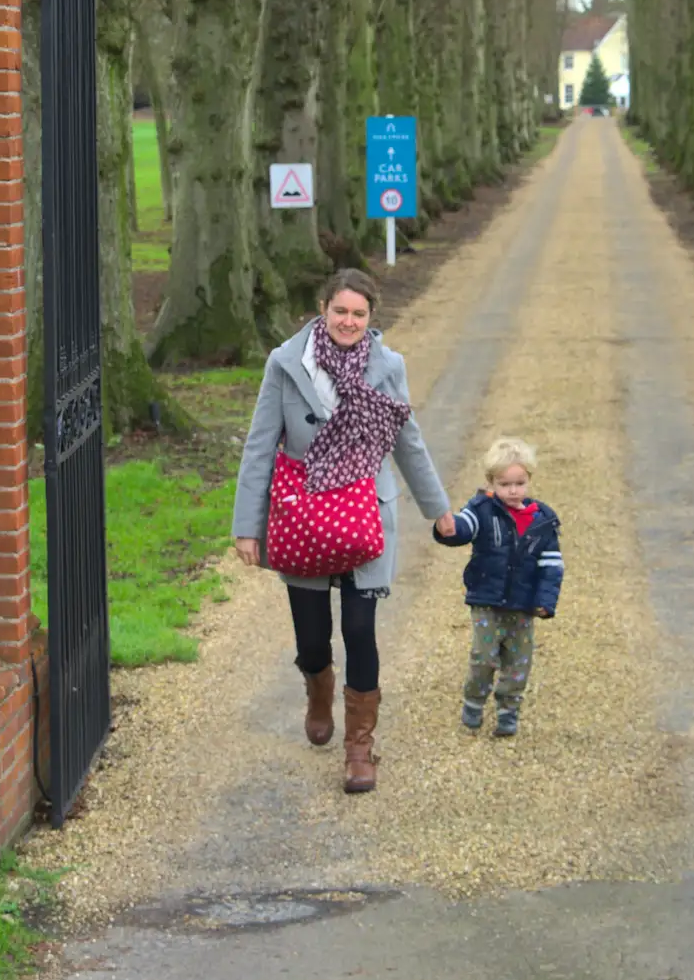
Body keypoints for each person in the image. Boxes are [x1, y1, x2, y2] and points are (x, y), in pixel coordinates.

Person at [233, 268, 455, 793]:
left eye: (359, 314)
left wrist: (438, 509)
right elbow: (260, 444)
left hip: (364, 515)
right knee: (313, 639)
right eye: (340, 312)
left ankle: (360, 747)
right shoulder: (286, 363)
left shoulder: (387, 365)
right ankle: (317, 687)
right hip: (302, 515)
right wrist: (248, 526)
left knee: (359, 628)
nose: (349, 322)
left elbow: (408, 441)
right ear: (323, 308)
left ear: (370, 317)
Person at [434, 437, 563, 738]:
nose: (513, 490)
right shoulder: (481, 509)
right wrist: (449, 529)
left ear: (529, 480)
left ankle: (509, 710)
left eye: (519, 482)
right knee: (484, 657)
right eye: (505, 484)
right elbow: (464, 528)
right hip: (487, 601)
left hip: (523, 604)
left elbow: (552, 566)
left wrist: (545, 600)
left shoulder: (543, 521)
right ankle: (474, 703)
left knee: (518, 662)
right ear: (491, 482)